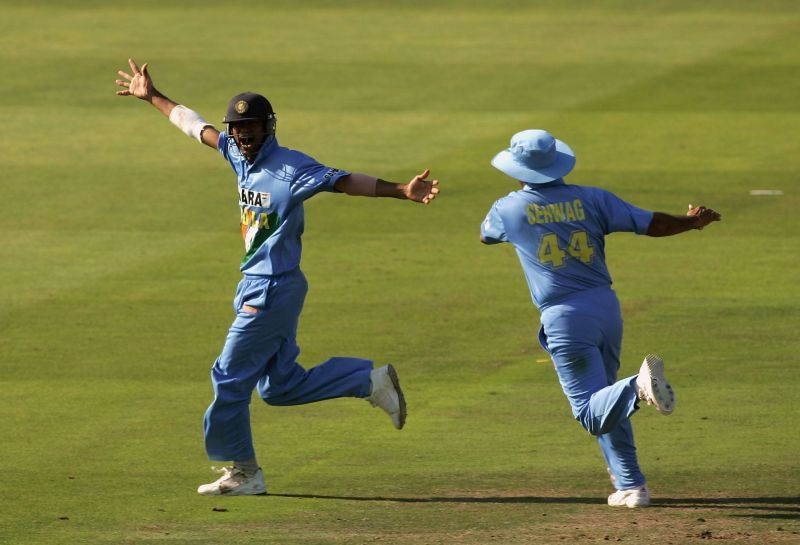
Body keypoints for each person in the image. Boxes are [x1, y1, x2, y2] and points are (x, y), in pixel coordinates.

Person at [115, 58, 440, 496]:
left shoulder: (291, 168)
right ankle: (367, 380)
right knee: (279, 387)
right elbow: (195, 126)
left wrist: (401, 189)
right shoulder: (235, 153)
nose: (244, 141)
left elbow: (344, 181)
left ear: (269, 129)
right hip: (259, 284)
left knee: (229, 377)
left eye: (252, 134)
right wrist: (152, 95)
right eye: (239, 134)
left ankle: (245, 473)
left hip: (272, 288)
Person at [480, 129, 720, 508]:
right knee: (605, 398)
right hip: (605, 308)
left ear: (518, 167)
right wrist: (690, 222)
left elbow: (487, 235)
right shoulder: (593, 198)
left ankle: (638, 386)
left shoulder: (507, 208)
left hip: (564, 317)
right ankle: (631, 485)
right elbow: (652, 224)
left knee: (590, 413)